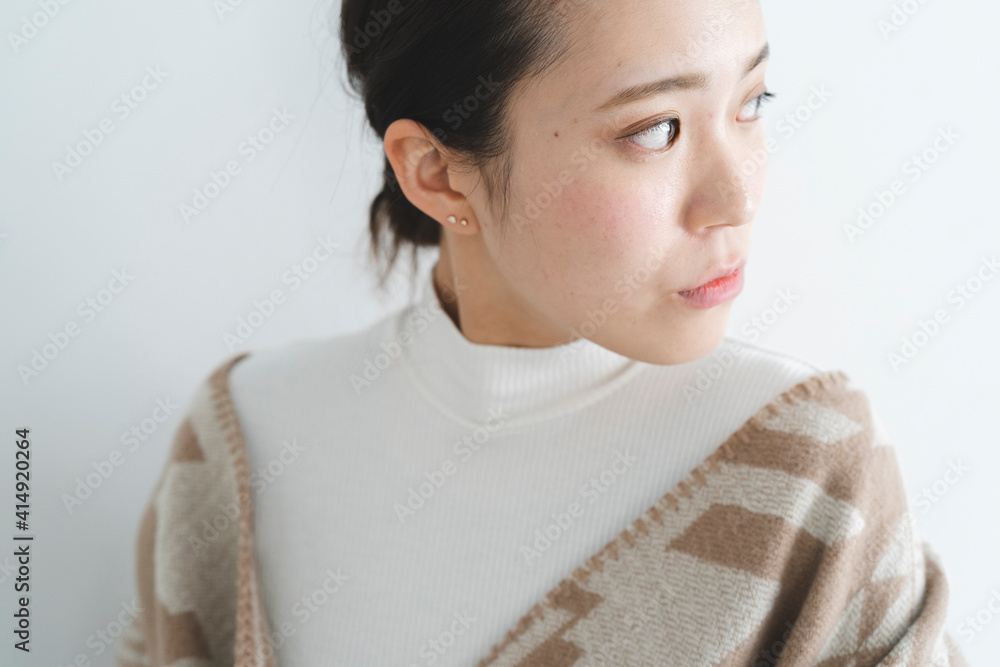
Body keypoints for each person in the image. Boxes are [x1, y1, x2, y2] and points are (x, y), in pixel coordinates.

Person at [116, 0, 968, 665]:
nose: (737, 197)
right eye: (656, 129)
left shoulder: (810, 473)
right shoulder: (245, 440)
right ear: (436, 173)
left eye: (752, 102)